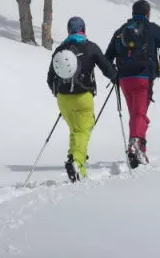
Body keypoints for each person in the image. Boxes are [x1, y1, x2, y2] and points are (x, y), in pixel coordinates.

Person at [106, 0, 160, 167]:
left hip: (124, 80)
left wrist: (114, 75)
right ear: (148, 13)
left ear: (132, 13)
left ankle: (137, 151)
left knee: (135, 115)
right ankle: (136, 143)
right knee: (140, 114)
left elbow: (107, 57)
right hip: (143, 78)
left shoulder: (120, 31)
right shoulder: (153, 30)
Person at [46, 16, 117, 182]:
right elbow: (107, 68)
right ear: (83, 30)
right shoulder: (90, 47)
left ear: (68, 31)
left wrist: (58, 93)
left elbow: (50, 77)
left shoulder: (60, 50)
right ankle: (76, 161)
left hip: (63, 99)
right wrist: (116, 76)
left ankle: (79, 169)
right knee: (83, 130)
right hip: (83, 97)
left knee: (75, 130)